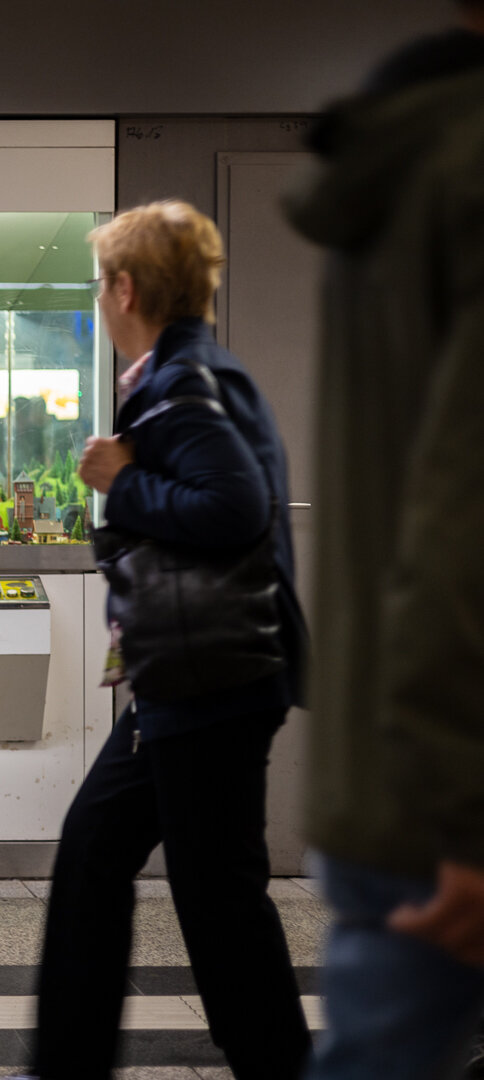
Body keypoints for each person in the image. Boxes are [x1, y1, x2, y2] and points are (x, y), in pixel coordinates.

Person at [2, 202, 311, 1080]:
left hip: (209, 682)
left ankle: (276, 1062)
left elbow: (235, 509)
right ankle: (69, 1059)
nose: (101, 299)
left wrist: (122, 480)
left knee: (217, 900)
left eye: (102, 283)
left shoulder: (184, 384)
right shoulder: (190, 373)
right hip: (188, 678)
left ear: (126, 287)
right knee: (102, 857)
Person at [286, 4, 484, 1078]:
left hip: (390, 770)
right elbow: (465, 523)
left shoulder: (401, 174)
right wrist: (464, 818)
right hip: (453, 794)